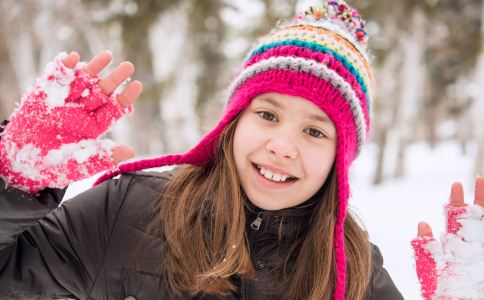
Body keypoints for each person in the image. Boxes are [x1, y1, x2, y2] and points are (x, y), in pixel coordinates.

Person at [0, 1, 482, 299]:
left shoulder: (353, 270)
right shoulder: (127, 210)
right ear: (232, 123)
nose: (281, 146)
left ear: (341, 159)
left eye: (316, 132)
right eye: (267, 115)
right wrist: (13, 183)